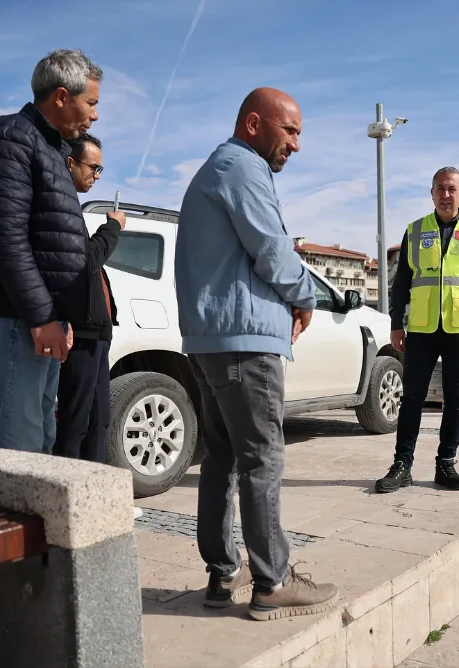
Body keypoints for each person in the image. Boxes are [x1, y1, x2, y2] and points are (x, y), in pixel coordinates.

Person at [175, 87, 338, 620]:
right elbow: (271, 248)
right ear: (253, 124)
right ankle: (271, 581)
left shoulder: (220, 168)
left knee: (222, 457)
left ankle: (224, 574)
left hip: (215, 338)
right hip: (244, 340)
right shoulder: (242, 168)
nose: (296, 144)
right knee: (262, 458)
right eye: (289, 130)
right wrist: (306, 296)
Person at [0, 49, 122, 453]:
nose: (96, 115)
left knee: (42, 442)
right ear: (62, 96)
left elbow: (52, 243)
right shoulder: (11, 137)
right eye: (92, 103)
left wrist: (58, 315)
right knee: (22, 448)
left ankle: (38, 517)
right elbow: (7, 239)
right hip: (18, 319)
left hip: (39, 320)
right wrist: (42, 315)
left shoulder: (50, 149)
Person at [375, 167, 459, 493]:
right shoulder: (415, 231)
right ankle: (402, 464)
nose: (446, 195)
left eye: (452, 189)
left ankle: (446, 464)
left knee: (456, 400)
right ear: (432, 194)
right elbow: (401, 281)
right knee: (412, 398)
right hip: (421, 327)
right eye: (440, 189)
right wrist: (395, 324)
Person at [53, 132, 124, 464]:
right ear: (71, 162)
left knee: (98, 421)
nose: (96, 176)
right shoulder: (59, 203)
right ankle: (66, 493)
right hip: (78, 331)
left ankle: (94, 494)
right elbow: (85, 262)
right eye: (93, 167)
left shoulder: (70, 205)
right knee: (75, 421)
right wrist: (112, 228)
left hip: (96, 332)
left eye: (100, 170)